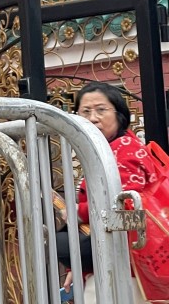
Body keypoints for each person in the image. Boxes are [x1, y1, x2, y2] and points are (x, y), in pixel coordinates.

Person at [65, 82, 153, 304]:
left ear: (120, 114)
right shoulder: (104, 151)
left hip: (128, 267)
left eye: (101, 110)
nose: (93, 118)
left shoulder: (127, 150)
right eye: (85, 111)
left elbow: (127, 207)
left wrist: (79, 211)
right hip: (111, 262)